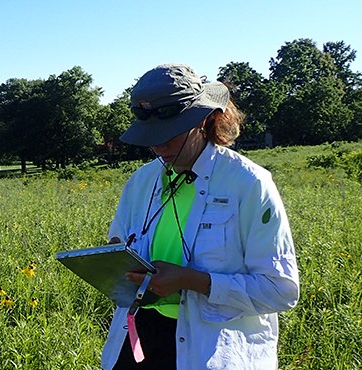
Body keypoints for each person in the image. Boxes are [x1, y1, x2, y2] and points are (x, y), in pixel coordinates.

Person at [102, 64, 300, 369]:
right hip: (138, 340)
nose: (158, 146)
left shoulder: (248, 184)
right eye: (150, 136)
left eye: (169, 134)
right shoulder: (140, 182)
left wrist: (192, 281)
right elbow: (119, 248)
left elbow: (280, 290)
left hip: (212, 350)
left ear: (204, 120)